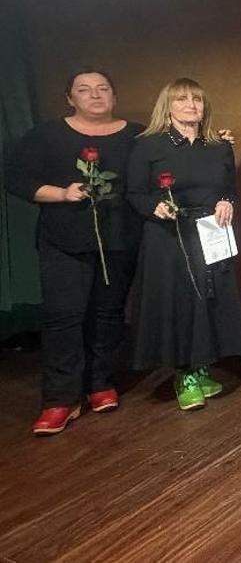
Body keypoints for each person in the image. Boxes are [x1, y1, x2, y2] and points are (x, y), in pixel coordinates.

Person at [6, 68, 143, 434]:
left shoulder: (138, 134)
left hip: (119, 240)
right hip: (62, 241)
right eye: (84, 89)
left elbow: (167, 165)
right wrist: (62, 193)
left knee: (109, 313)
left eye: (103, 88)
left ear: (114, 95)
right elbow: (17, 179)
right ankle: (61, 398)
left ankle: (100, 383)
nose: (95, 95)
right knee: (62, 317)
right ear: (70, 98)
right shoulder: (46, 135)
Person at [126, 78, 241, 411]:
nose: (191, 105)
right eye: (181, 99)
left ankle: (202, 367)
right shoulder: (148, 145)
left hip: (210, 233)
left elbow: (229, 188)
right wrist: (154, 206)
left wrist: (227, 201)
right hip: (169, 236)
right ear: (167, 107)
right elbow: (134, 193)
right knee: (178, 303)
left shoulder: (218, 145)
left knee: (208, 301)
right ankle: (184, 375)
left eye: (197, 99)